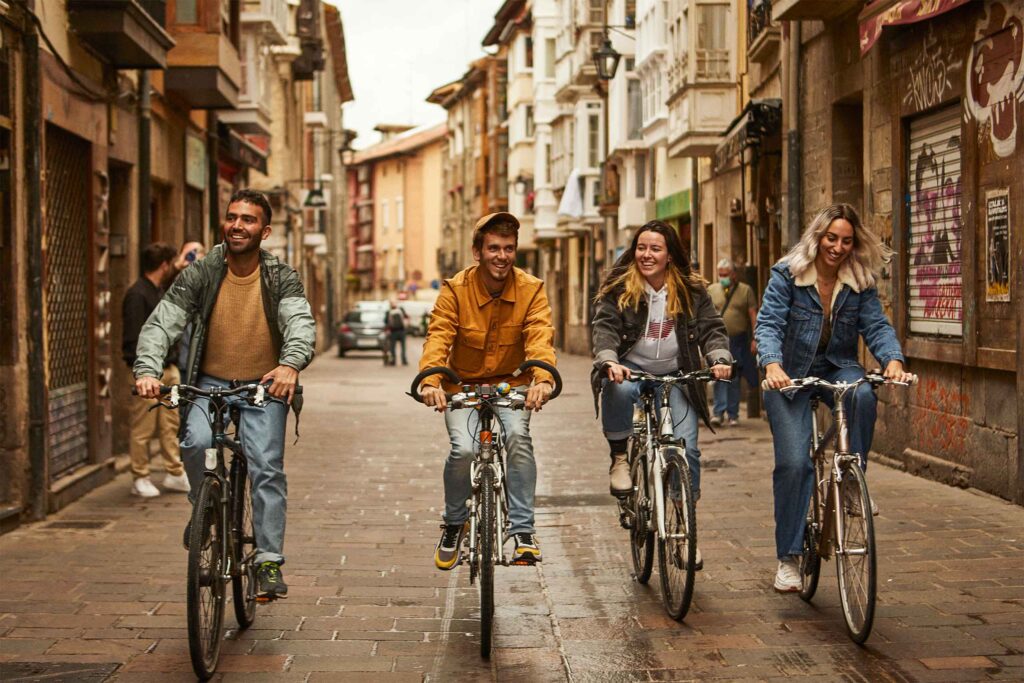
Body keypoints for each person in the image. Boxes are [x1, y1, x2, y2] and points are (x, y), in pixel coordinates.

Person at [134, 189, 316, 599]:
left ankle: (268, 559)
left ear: (264, 231)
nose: (237, 225)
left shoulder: (279, 276)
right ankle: (205, 510)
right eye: (232, 217)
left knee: (267, 465)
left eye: (248, 220)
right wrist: (148, 369)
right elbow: (163, 322)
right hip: (209, 381)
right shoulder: (202, 272)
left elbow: (300, 323)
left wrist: (290, 364)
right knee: (195, 442)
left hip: (263, 384)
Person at [756, 203, 914, 593]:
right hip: (789, 373)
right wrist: (772, 365)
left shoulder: (859, 280)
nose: (838, 247)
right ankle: (789, 560)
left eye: (846, 240)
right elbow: (770, 323)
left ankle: (849, 480)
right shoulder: (788, 274)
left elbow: (875, 325)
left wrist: (892, 359)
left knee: (862, 393)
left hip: (836, 365)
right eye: (831, 238)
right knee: (795, 464)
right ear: (817, 237)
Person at [418, 212, 557, 570]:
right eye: (493, 248)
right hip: (461, 385)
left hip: (512, 383)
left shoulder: (532, 289)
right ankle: (453, 523)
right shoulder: (454, 290)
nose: (502, 256)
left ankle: (523, 530)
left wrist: (542, 379)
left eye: (509, 248)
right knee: (462, 449)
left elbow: (540, 336)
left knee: (517, 437)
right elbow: (439, 336)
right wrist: (431, 381)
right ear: (477, 251)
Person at [591, 221, 732, 569]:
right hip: (632, 371)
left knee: (689, 450)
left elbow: (713, 329)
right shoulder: (620, 289)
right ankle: (621, 457)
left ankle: (685, 529)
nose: (647, 255)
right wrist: (610, 360)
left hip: (678, 374)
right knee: (618, 388)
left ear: (670, 255)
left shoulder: (692, 292)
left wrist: (719, 357)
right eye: (642, 248)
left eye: (655, 248)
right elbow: (605, 329)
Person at [122, 242, 190, 498]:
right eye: (171, 263)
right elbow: (132, 338)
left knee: (169, 425)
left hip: (169, 369)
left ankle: (174, 472)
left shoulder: (159, 290)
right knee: (143, 427)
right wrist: (142, 372)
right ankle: (140, 476)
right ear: (163, 265)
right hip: (148, 373)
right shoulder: (137, 295)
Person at [706, 259, 759, 427]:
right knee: (719, 375)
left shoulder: (745, 291)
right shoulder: (712, 290)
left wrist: (755, 338)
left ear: (733, 274)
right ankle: (718, 413)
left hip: (738, 340)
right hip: (717, 339)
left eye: (726, 275)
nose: (723, 278)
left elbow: (753, 315)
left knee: (734, 378)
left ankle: (733, 414)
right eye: (720, 275)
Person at [174, 240, 206, 372]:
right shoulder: (178, 280)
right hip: (183, 360)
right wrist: (179, 266)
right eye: (188, 253)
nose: (192, 256)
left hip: (206, 365)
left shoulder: (212, 279)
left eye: (195, 252)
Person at [386, 299, 409, 366]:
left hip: (393, 332)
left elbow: (386, 322)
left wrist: (387, 330)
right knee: (403, 347)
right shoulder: (401, 310)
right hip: (401, 331)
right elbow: (406, 317)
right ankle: (404, 360)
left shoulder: (388, 311)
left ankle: (393, 361)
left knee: (393, 347)